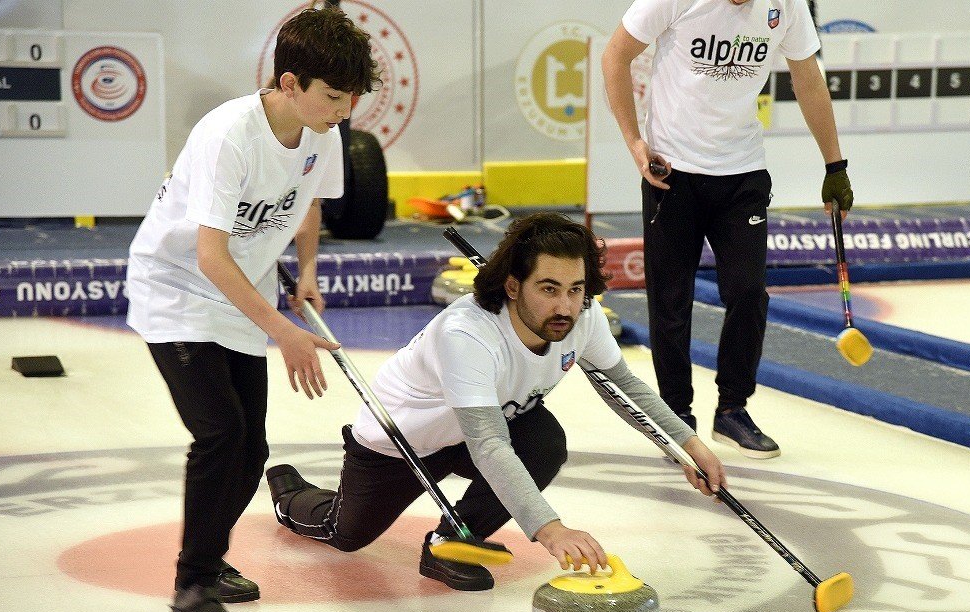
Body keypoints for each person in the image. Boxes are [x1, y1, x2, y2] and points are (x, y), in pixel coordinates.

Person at [265, 212, 727, 591]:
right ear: (512, 286)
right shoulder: (467, 332)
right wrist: (551, 529)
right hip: (400, 441)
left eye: (576, 289)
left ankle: (448, 544)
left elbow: (625, 387)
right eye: (549, 289)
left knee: (543, 440)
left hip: (482, 430)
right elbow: (487, 444)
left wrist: (688, 446)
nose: (565, 306)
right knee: (346, 535)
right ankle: (291, 492)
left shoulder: (580, 317)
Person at [125, 7, 379, 612]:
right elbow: (210, 255)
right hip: (178, 290)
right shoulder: (228, 135)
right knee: (219, 437)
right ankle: (191, 584)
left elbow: (308, 200)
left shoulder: (321, 130)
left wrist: (309, 271)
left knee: (251, 449)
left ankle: (209, 565)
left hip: (242, 290)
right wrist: (286, 334)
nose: (344, 109)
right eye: (332, 96)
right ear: (290, 84)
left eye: (351, 97)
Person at [602, 0, 854, 459]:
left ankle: (732, 410)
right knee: (671, 299)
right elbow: (615, 55)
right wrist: (634, 141)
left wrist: (835, 164)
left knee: (749, 292)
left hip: (742, 173)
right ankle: (675, 416)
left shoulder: (786, 4)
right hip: (671, 173)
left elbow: (807, 78)